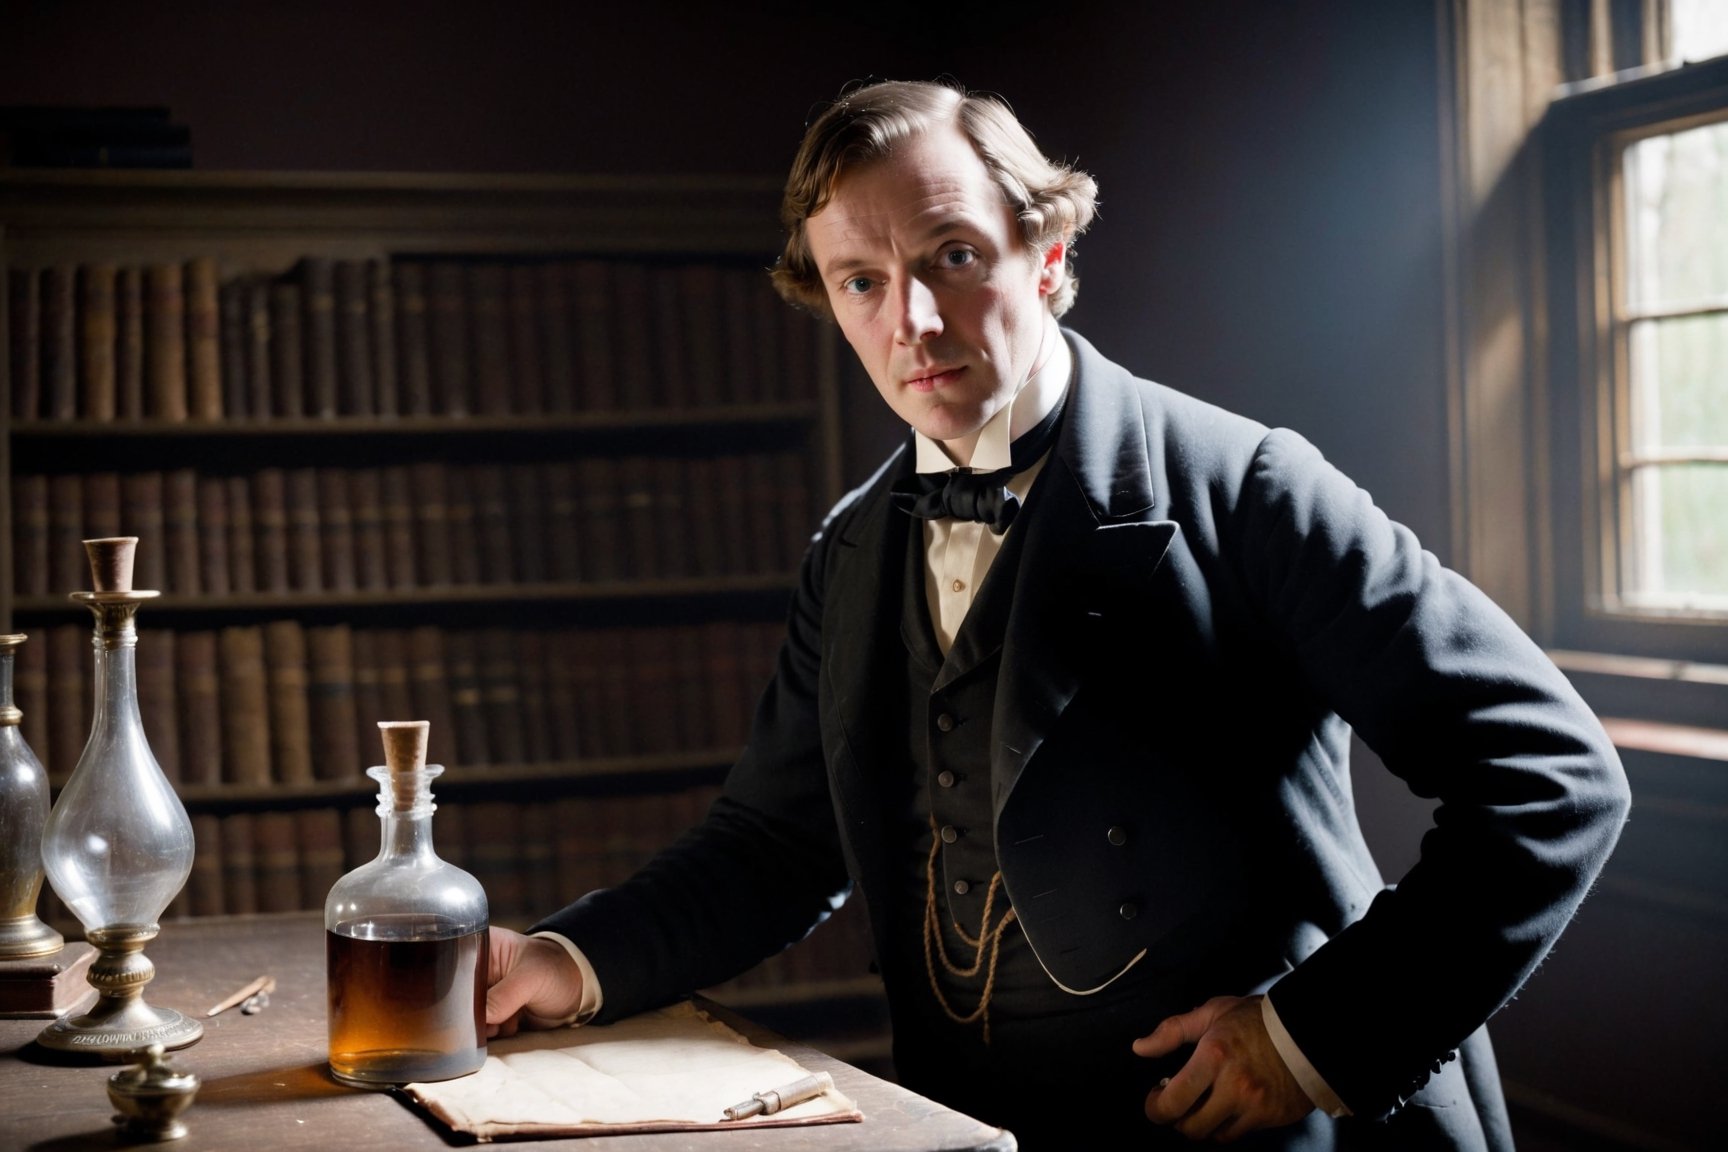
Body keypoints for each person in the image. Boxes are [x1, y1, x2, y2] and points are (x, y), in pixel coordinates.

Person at [484, 78, 1631, 1150]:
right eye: (863, 281)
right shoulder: (852, 546)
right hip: (985, 1124)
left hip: (1273, 1125)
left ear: (1046, 253)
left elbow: (1553, 779)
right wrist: (563, 957)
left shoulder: (1250, 488)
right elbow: (776, 843)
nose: (914, 321)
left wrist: (1308, 1040)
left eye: (956, 256)